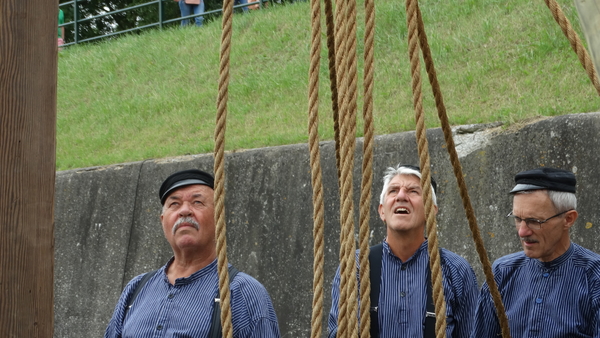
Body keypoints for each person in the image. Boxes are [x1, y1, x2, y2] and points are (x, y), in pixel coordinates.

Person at [105, 169, 281, 338]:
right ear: (163, 221)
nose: (184, 211)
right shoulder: (137, 289)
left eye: (197, 202)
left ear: (219, 217)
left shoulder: (243, 292)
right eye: (174, 204)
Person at [327, 164, 478, 338]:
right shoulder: (356, 268)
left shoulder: (456, 271)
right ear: (382, 211)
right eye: (393, 191)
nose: (401, 196)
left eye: (413, 191)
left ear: (432, 211)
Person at [471, 167, 600, 337]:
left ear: (568, 219)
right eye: (518, 219)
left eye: (534, 221)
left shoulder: (594, 277)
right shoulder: (502, 271)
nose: (522, 232)